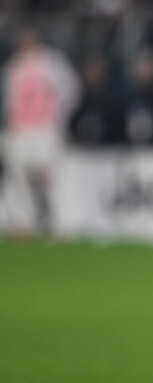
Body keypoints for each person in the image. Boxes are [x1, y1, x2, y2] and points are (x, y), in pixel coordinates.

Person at [1, 28, 81, 238]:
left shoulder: (52, 61)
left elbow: (71, 89)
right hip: (19, 130)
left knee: (50, 178)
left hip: (45, 128)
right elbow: (9, 101)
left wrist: (58, 116)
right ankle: (23, 224)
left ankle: (57, 224)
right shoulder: (13, 66)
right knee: (19, 179)